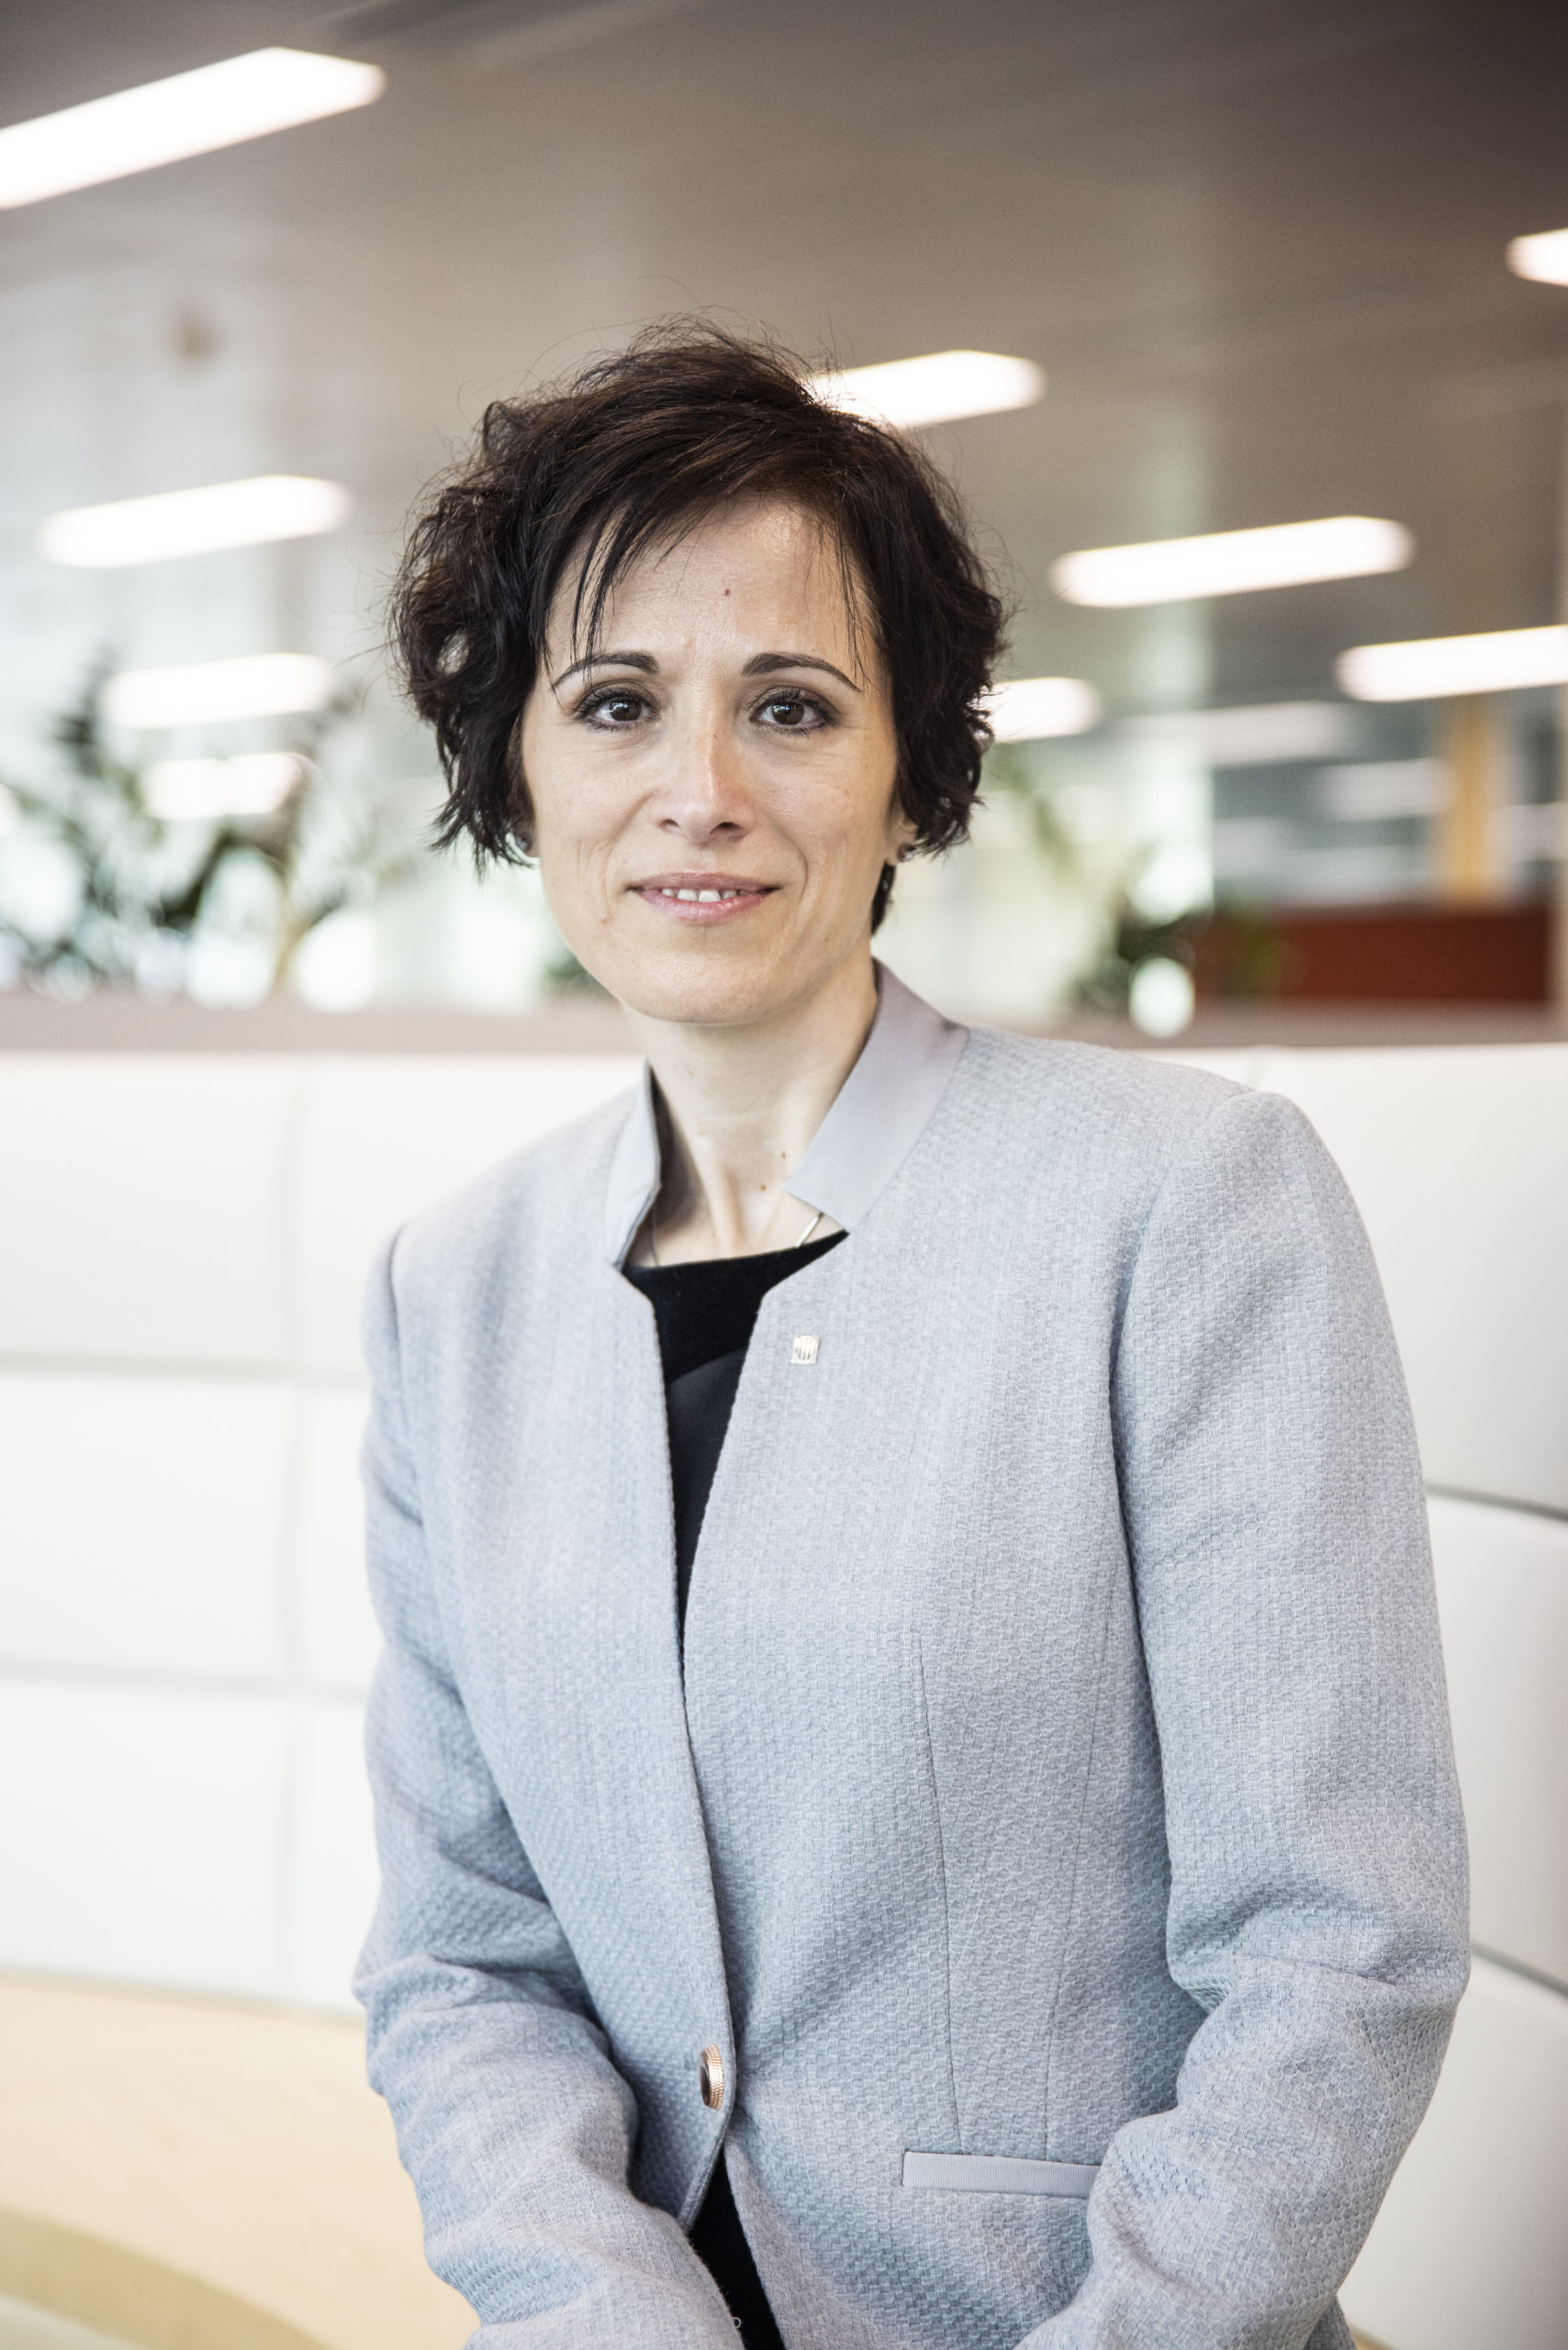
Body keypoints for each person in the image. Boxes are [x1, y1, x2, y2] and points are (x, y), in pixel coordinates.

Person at [355, 326, 1467, 2350]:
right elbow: (465, 1957)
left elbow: (1336, 1948)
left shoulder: (1181, 1205)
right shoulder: (454, 1289)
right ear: (519, 763)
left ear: (908, 773)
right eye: (615, 702)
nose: (699, 791)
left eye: (789, 705)